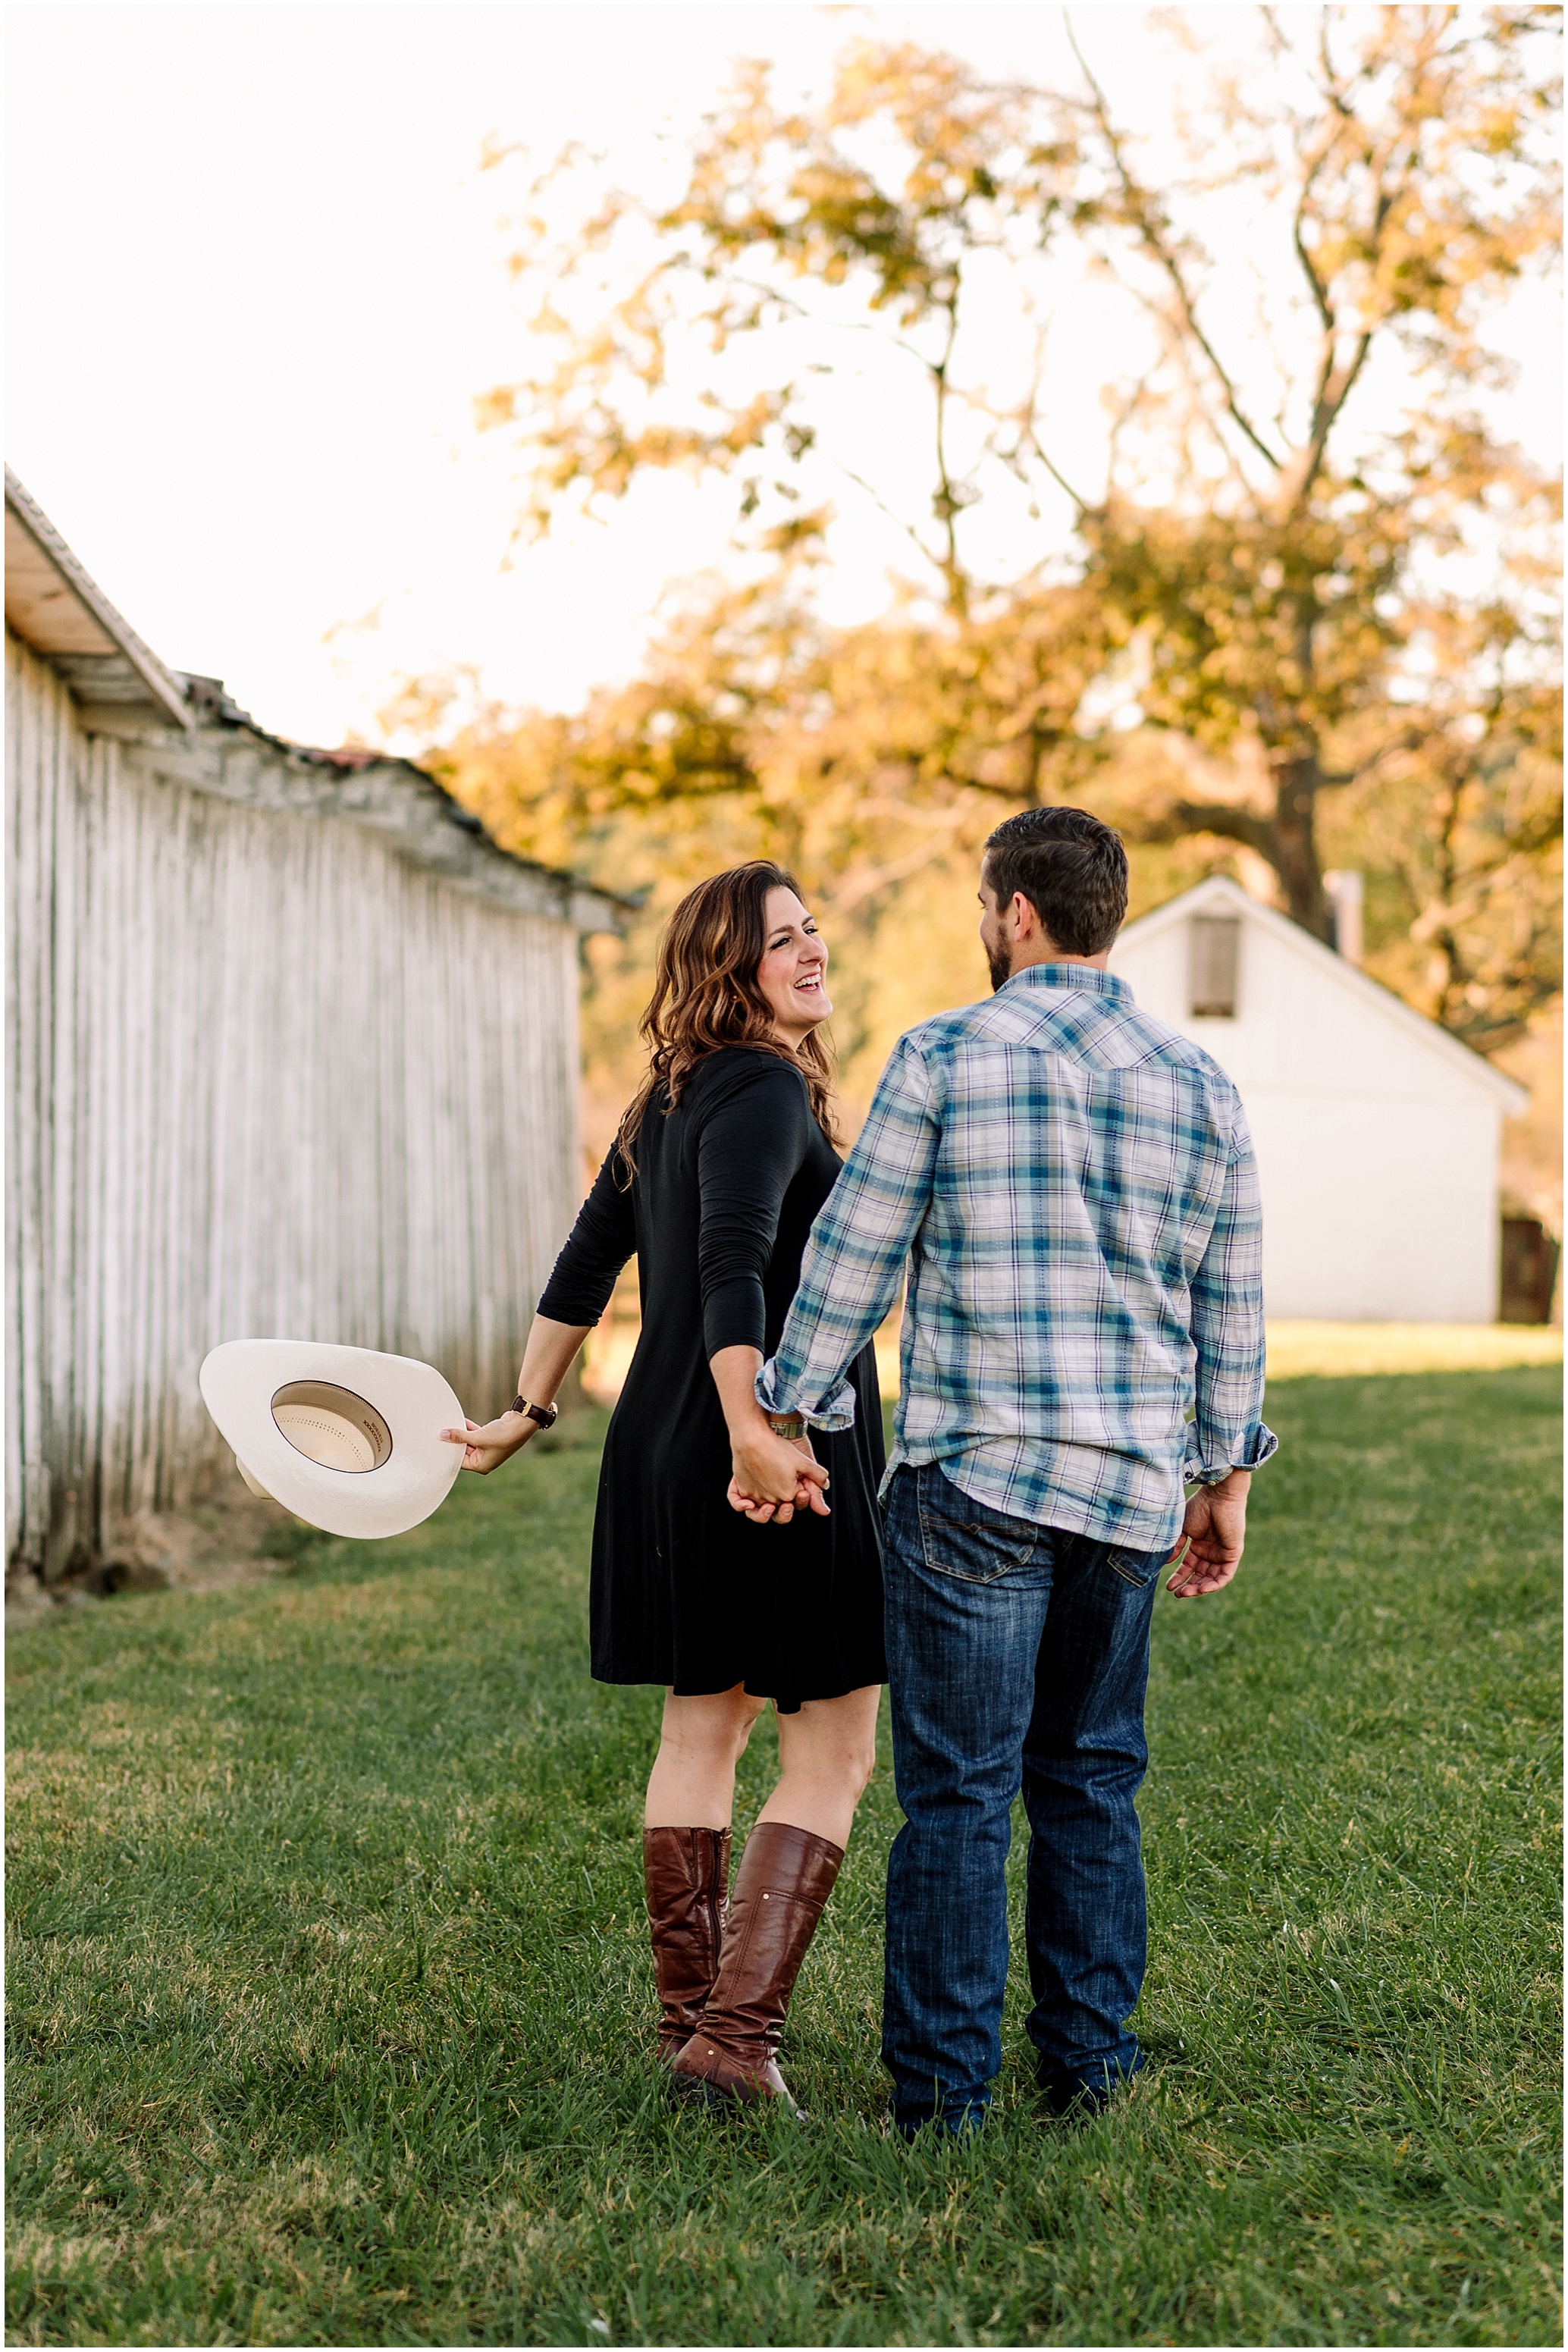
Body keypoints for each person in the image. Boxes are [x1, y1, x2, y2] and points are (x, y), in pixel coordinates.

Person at [745, 806, 1278, 2139]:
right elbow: (1233, 1304)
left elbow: (854, 1257)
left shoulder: (945, 1053)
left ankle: (942, 2096)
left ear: (1015, 913)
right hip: (1132, 1489)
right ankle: (1089, 2069)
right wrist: (1225, 1476)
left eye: (987, 911)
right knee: (1092, 1774)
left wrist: (784, 1414)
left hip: (976, 1483)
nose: (984, 929)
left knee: (962, 1793)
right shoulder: (1201, 1081)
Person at [444, 862, 886, 2117]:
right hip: (767, 1444)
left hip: (665, 1440)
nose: (810, 951)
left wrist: (526, 1409)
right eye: (780, 940)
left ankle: (692, 2035)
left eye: (812, 927)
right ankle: (736, 2049)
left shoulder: (670, 1094)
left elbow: (584, 1262)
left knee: (704, 1726)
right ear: (728, 969)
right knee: (835, 1745)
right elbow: (734, 1258)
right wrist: (755, 1427)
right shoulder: (755, 1085)